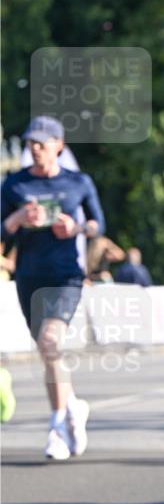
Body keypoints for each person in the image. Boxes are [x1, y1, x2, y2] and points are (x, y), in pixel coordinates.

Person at [1, 116, 105, 459]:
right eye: (30, 143)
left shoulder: (78, 182)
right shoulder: (14, 184)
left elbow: (98, 225)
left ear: (58, 146)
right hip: (29, 277)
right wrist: (16, 220)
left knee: (50, 342)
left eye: (41, 143)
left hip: (66, 277)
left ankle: (57, 427)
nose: (35, 148)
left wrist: (76, 228)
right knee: (49, 353)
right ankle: (73, 406)